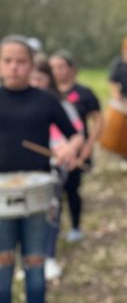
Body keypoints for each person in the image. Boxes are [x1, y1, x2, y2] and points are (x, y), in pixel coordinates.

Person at [0, 36, 82, 303]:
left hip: (36, 193)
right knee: (3, 266)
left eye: (20, 61)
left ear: (32, 64)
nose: (14, 67)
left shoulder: (45, 100)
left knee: (35, 264)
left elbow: (75, 134)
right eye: (7, 61)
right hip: (1, 196)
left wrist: (69, 149)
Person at [28, 60, 82, 281]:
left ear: (49, 80)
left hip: (53, 165)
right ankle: (29, 257)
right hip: (24, 170)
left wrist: (68, 150)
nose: (35, 83)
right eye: (32, 78)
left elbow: (76, 134)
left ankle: (48, 255)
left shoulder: (59, 104)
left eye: (40, 79)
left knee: (51, 211)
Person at [50, 50, 102, 243]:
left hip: (76, 151)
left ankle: (75, 227)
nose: (57, 71)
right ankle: (54, 229)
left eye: (61, 67)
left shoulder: (84, 93)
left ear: (72, 69)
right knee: (53, 193)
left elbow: (98, 119)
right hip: (52, 151)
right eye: (53, 67)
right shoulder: (48, 94)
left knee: (72, 189)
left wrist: (89, 144)